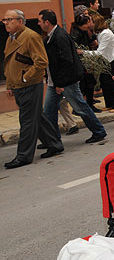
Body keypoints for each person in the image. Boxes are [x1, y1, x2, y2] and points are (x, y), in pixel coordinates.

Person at [2, 10, 64, 169]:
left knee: (27, 121)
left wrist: (25, 78)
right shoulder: (12, 38)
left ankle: (24, 156)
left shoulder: (30, 37)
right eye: (4, 20)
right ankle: (54, 144)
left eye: (9, 20)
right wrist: (10, 84)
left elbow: (41, 62)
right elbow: (11, 64)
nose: (6, 23)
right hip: (18, 86)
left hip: (29, 85)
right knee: (36, 117)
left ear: (20, 21)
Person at [38, 9, 107, 144]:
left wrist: (60, 83)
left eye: (40, 21)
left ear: (47, 22)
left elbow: (66, 61)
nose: (38, 24)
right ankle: (52, 140)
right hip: (56, 81)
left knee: (80, 107)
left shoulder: (60, 36)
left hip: (65, 81)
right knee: (49, 111)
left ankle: (98, 131)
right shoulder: (52, 36)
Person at [81, 14, 114, 112]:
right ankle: (110, 104)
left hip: (113, 59)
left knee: (108, 82)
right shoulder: (100, 33)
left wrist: (83, 52)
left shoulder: (105, 33)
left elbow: (99, 52)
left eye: (91, 22)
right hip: (107, 60)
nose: (89, 24)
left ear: (96, 23)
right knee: (104, 82)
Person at [70, 14, 101, 113]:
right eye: (87, 22)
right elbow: (75, 48)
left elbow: (89, 42)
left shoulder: (84, 32)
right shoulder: (76, 34)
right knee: (84, 84)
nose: (89, 24)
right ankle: (79, 107)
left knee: (89, 83)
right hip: (81, 63)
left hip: (86, 60)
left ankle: (89, 103)